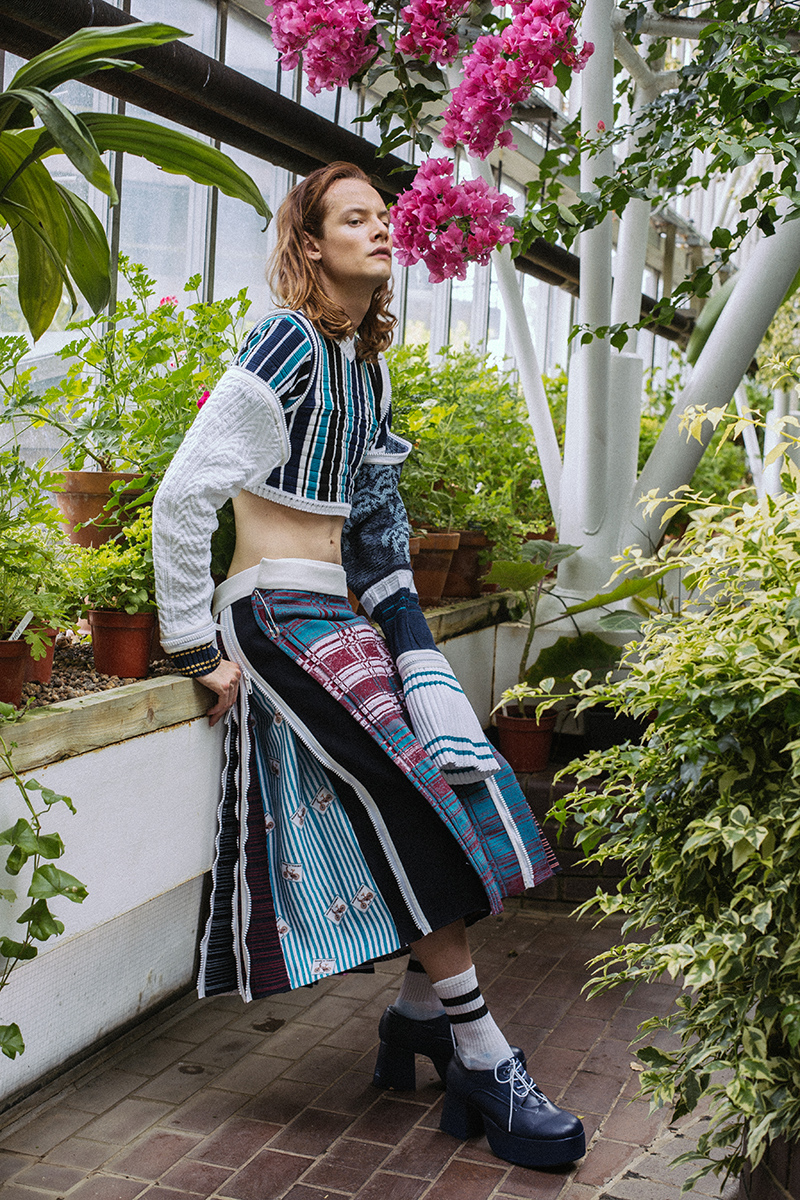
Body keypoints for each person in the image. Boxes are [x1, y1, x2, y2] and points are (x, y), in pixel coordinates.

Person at [152, 161, 585, 1170]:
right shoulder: (286, 342)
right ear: (310, 244)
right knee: (410, 797)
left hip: (337, 616)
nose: (381, 230)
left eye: (384, 217)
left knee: (458, 781)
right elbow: (182, 496)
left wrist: (418, 658)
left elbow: (379, 536)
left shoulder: (368, 370)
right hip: (270, 613)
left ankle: (416, 1020)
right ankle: (482, 1057)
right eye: (355, 219)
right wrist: (190, 644)